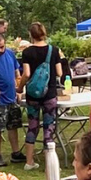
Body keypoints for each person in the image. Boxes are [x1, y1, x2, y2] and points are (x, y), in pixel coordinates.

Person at [20, 22, 63, 171]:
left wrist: (20, 87)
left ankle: (29, 161)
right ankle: (48, 164)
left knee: (32, 126)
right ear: (44, 33)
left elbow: (26, 74)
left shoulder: (27, 52)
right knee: (48, 127)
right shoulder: (54, 50)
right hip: (50, 94)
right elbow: (59, 73)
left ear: (30, 35)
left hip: (33, 95)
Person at [0, 33, 24, 168]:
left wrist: (18, 88)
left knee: (13, 126)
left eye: (2, 47)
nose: (0, 50)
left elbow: (16, 72)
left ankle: (16, 152)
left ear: (5, 44)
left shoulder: (10, 54)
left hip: (11, 97)